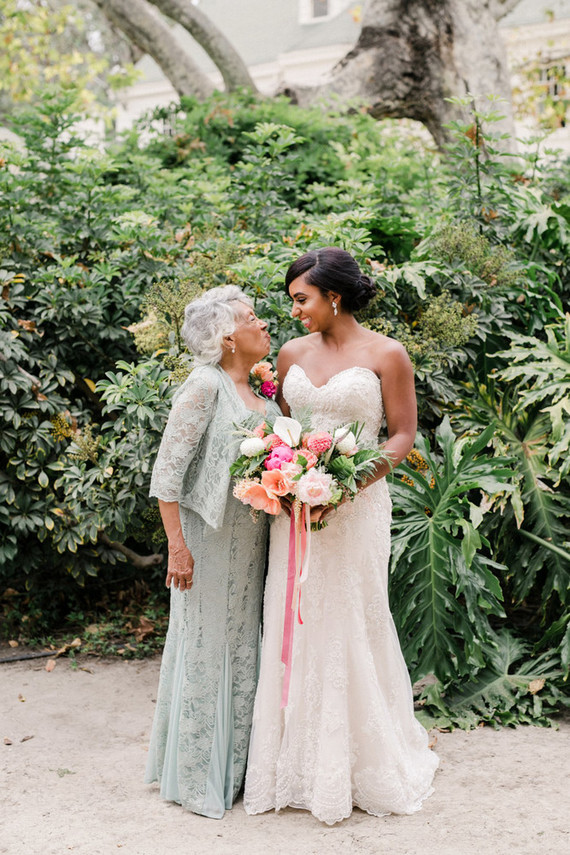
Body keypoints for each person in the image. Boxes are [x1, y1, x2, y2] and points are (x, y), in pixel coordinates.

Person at [244, 247, 439, 824]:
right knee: (296, 615)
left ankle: (361, 762)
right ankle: (296, 762)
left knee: (351, 616)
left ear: (333, 296)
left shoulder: (387, 354)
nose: (295, 311)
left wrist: (347, 486)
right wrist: (285, 477)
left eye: (301, 299)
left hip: (357, 508)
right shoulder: (291, 353)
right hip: (296, 511)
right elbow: (284, 430)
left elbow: (401, 436)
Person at [145, 285, 280, 819]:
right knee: (206, 647)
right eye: (252, 317)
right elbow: (166, 475)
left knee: (245, 646)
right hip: (206, 542)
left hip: (254, 541)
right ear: (228, 338)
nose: (263, 324)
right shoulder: (204, 385)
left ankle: (236, 771)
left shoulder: (262, 388)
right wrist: (177, 549)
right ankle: (198, 775)